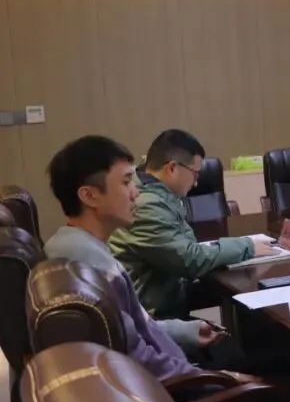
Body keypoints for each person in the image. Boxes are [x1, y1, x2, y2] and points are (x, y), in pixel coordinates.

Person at [43, 135, 245, 382]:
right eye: (126, 182)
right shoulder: (90, 266)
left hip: (162, 364)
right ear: (90, 196)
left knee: (233, 350)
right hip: (167, 390)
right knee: (256, 368)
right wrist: (218, 378)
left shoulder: (77, 246)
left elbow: (134, 328)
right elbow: (139, 360)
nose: (135, 192)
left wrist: (187, 331)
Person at [109, 129, 274, 319]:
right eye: (195, 174)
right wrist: (247, 246)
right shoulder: (147, 204)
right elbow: (190, 260)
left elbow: (188, 244)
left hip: (163, 296)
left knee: (249, 295)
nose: (196, 183)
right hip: (150, 319)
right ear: (172, 168)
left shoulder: (157, 193)